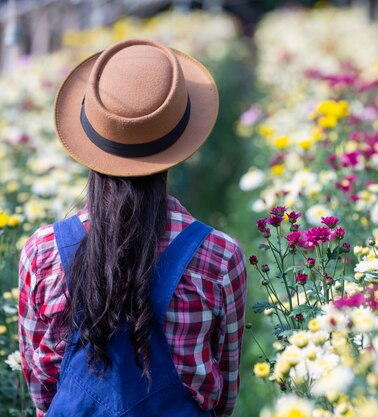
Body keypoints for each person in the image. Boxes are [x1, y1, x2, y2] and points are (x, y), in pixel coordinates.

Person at [17, 39, 247, 417]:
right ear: (179, 144)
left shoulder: (41, 252)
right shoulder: (219, 256)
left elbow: (42, 391)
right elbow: (223, 395)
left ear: (90, 138)